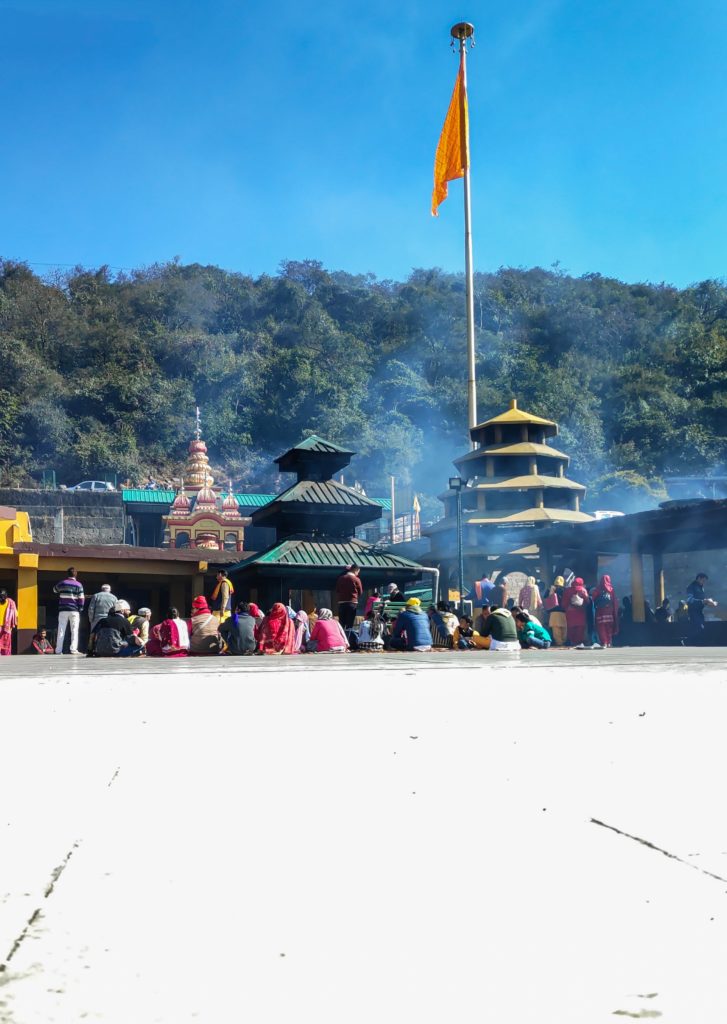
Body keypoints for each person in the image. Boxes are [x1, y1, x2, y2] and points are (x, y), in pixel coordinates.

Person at [53, 567, 85, 655]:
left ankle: (58, 650)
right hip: (74, 610)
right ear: (76, 574)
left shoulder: (62, 583)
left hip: (63, 610)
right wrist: (80, 608)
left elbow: (54, 590)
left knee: (61, 630)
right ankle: (73, 649)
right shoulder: (79, 585)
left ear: (68, 574)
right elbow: (81, 598)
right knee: (74, 630)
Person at [685, 572, 717, 643]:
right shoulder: (691, 587)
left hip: (699, 612)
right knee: (699, 627)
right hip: (693, 611)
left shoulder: (701, 587)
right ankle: (687, 642)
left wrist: (709, 603)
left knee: (700, 628)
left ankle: (692, 643)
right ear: (698, 578)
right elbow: (689, 600)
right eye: (703, 580)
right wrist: (703, 601)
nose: (704, 583)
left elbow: (702, 600)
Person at [591, 575, 619, 648]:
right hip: (609, 611)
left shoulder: (598, 589)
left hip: (600, 612)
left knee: (601, 627)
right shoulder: (611, 589)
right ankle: (609, 642)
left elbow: (593, 598)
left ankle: (604, 642)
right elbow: (614, 601)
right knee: (609, 627)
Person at [563, 576, 590, 647]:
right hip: (580, 612)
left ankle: (571, 641)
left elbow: (564, 603)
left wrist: (566, 608)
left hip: (570, 612)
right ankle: (578, 643)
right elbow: (587, 600)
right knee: (580, 628)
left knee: (571, 627)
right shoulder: (583, 590)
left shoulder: (567, 590)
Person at [334, 565, 363, 630]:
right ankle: (349, 638)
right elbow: (360, 592)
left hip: (342, 603)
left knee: (342, 623)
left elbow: (337, 590)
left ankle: (342, 638)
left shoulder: (340, 578)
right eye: (358, 572)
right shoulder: (356, 579)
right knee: (350, 624)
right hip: (352, 603)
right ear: (355, 570)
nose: (357, 574)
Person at [543, 576, 567, 646]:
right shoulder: (565, 590)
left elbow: (545, 598)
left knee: (555, 628)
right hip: (563, 611)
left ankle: (559, 643)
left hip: (553, 612)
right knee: (564, 628)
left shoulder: (550, 589)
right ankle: (564, 641)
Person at [0, 590, 17, 656]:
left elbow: (15, 614)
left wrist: (12, 624)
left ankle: (6, 656)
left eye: (3, 596)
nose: (1, 598)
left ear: (6, 596)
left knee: (6, 643)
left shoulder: (11, 603)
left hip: (7, 626)